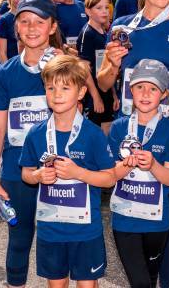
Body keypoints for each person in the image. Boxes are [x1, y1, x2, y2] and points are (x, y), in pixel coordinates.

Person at [97, 0, 169, 287]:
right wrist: (111, 64)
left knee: (167, 215)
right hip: (130, 130)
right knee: (130, 209)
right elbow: (104, 83)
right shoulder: (122, 27)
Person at [0, 0, 62, 286]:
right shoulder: (6, 72)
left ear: (52, 26)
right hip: (16, 170)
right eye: (24, 21)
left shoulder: (65, 65)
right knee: (19, 238)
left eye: (39, 22)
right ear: (16, 27)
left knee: (57, 241)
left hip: (60, 170)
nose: (31, 28)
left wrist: (57, 70)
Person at [20, 54, 116, 288]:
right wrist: (37, 176)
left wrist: (79, 173)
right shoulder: (35, 133)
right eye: (51, 88)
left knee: (87, 285)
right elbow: (26, 173)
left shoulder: (93, 135)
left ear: (81, 92)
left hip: (85, 231)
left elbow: (110, 177)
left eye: (65, 87)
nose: (57, 94)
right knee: (56, 284)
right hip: (50, 230)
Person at [109, 59, 169, 288]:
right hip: (124, 220)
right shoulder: (119, 127)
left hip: (157, 222)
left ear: (164, 94)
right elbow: (109, 176)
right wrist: (124, 166)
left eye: (153, 88)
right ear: (131, 90)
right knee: (139, 282)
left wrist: (153, 165)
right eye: (140, 87)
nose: (146, 93)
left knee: (150, 277)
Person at [77, 0, 119, 134]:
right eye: (99, 8)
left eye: (106, 7)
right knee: (95, 134)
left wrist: (113, 94)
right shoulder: (86, 34)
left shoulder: (105, 32)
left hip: (106, 91)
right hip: (92, 95)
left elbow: (108, 66)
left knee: (107, 131)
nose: (104, 11)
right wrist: (95, 97)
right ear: (88, 11)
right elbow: (83, 69)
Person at [0, 0, 29, 64]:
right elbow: (2, 53)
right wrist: (8, 72)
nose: (20, 0)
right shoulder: (4, 20)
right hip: (12, 66)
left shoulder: (32, 18)